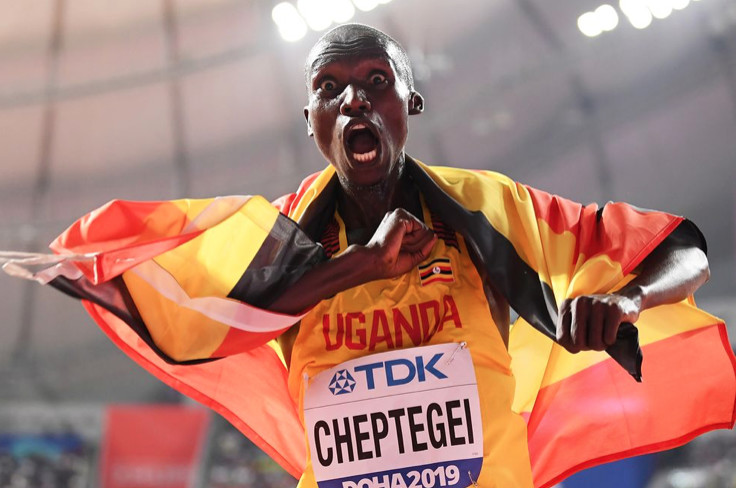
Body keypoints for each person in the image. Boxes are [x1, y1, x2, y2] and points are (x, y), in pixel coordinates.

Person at [2, 23, 734, 488]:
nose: (353, 100)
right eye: (329, 89)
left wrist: (627, 299)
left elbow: (681, 248)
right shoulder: (280, 237)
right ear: (311, 121)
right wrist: (360, 266)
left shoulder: (488, 207)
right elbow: (202, 323)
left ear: (410, 105)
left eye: (376, 83)